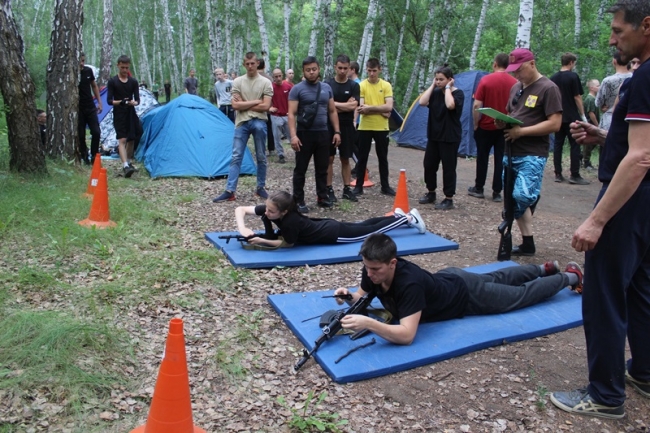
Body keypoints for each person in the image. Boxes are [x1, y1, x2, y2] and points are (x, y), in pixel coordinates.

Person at [550, 0, 650, 419]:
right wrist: (605, 137)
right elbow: (639, 146)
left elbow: (641, 157)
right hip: (646, 201)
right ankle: (644, 371)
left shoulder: (645, 76)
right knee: (641, 289)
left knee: (603, 293)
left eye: (618, 30)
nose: (612, 39)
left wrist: (597, 219)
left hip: (628, 199)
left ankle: (605, 395)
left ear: (647, 26)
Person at [332, 233, 583, 345]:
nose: (369, 273)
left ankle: (569, 277)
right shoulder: (373, 271)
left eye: (375, 269)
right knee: (498, 276)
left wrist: (370, 323)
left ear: (393, 263)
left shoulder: (409, 283)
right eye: (366, 267)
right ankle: (542, 269)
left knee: (518, 296)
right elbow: (361, 296)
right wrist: (347, 295)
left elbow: (407, 335)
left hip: (466, 297)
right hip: (450, 278)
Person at [495, 48, 562, 256]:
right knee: (511, 199)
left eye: (520, 70)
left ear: (532, 64)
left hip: (533, 152)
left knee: (521, 195)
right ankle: (528, 243)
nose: (516, 75)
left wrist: (521, 132)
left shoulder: (548, 88)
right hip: (511, 150)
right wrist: (501, 122)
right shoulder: (516, 88)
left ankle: (533, 197)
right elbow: (511, 113)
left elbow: (555, 124)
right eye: (513, 71)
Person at [234, 191, 426, 248]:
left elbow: (287, 244)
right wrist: (243, 229)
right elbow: (240, 209)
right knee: (366, 224)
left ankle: (407, 219)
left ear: (283, 212)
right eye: (266, 209)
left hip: (334, 234)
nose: (266, 213)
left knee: (371, 232)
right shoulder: (274, 210)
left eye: (271, 212)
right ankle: (397, 216)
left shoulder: (290, 222)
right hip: (327, 225)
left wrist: (261, 240)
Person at [213, 52, 273, 202]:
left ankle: (260, 188)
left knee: (261, 156)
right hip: (241, 123)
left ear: (257, 63)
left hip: (259, 122)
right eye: (247, 64)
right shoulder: (237, 82)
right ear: (244, 64)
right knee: (236, 156)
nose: (250, 66)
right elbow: (235, 105)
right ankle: (230, 190)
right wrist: (255, 102)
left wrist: (244, 103)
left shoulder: (266, 83)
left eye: (253, 63)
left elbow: (266, 106)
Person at [288, 56, 340, 213]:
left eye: (314, 69)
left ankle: (322, 197)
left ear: (319, 69)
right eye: (308, 70)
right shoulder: (297, 89)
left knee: (322, 167)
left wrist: (337, 131)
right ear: (303, 71)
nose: (311, 72)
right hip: (304, 134)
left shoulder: (326, 88)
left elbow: (332, 110)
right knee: (301, 168)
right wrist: (293, 135)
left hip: (323, 133)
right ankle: (298, 200)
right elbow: (291, 113)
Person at [469, 53, 518, 202]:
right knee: (500, 159)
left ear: (495, 64)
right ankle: (497, 191)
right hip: (505, 127)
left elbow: (477, 104)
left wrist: (476, 123)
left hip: (485, 126)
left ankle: (479, 187)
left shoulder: (485, 80)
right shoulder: (515, 83)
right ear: (508, 66)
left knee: (482, 157)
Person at [418, 65, 465, 210]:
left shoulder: (458, 94)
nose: (438, 82)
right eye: (436, 79)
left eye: (441, 79)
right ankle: (431, 192)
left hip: (450, 137)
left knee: (448, 168)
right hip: (434, 135)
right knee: (429, 165)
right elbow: (422, 102)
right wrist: (433, 85)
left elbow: (450, 105)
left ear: (450, 80)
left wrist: (447, 89)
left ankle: (448, 198)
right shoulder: (435, 92)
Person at [353, 58, 395, 196]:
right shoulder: (362, 85)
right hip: (365, 126)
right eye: (369, 71)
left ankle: (385, 186)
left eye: (374, 71)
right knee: (362, 157)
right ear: (366, 69)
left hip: (381, 127)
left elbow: (389, 106)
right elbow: (361, 108)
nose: (372, 74)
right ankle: (359, 185)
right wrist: (381, 110)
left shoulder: (386, 85)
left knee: (383, 157)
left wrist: (370, 108)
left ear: (379, 70)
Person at [550, 53, 589, 185]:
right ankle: (574, 174)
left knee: (557, 144)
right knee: (575, 144)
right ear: (571, 62)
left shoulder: (553, 78)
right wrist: (583, 114)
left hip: (558, 115)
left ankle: (558, 173)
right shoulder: (573, 76)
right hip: (572, 116)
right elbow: (577, 96)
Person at [326, 54, 360, 203]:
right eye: (340, 68)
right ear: (335, 67)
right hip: (329, 125)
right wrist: (343, 106)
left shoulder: (354, 86)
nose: (342, 71)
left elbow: (354, 106)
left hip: (347, 125)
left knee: (345, 158)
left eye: (345, 68)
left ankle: (347, 189)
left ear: (349, 69)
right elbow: (327, 107)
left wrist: (334, 104)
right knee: (329, 158)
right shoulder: (327, 85)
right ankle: (329, 189)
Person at [107, 55, 141, 178]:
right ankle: (125, 165)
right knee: (122, 139)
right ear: (118, 65)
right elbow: (109, 101)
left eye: (126, 68)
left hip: (130, 112)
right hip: (119, 113)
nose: (125, 70)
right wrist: (121, 102)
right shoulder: (113, 82)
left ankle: (128, 162)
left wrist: (134, 103)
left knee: (132, 138)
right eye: (122, 67)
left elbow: (138, 99)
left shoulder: (133, 82)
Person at [78, 53, 103, 165]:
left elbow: (94, 85)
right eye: (80, 61)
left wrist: (99, 102)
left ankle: (94, 155)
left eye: (83, 60)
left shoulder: (88, 71)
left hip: (90, 106)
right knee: (81, 134)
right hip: (78, 108)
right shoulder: (71, 74)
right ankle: (84, 154)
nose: (81, 63)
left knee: (96, 131)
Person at [596, 52, 631, 131]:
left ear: (614, 61)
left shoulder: (608, 81)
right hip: (630, 117)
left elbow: (598, 102)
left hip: (610, 118)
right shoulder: (635, 78)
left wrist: (603, 106)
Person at [269, 68, 291, 163]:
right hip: (276, 115)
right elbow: (265, 98)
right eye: (276, 76)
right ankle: (280, 155)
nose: (278, 78)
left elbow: (293, 99)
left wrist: (292, 111)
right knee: (277, 136)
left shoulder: (288, 86)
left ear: (282, 75)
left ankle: (298, 152)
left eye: (279, 76)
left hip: (287, 114)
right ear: (273, 77)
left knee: (292, 134)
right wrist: (269, 108)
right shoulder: (270, 87)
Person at [582, 79, 600, 170]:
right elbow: (591, 113)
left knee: (594, 143)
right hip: (590, 125)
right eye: (598, 86)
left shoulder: (594, 99)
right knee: (589, 144)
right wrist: (597, 125)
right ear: (592, 88)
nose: (599, 87)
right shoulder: (590, 99)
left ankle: (581, 157)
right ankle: (586, 162)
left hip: (592, 125)